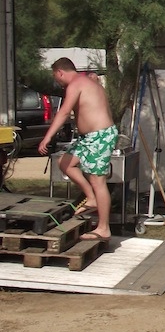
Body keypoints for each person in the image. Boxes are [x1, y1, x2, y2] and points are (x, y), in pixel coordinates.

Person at [38, 58, 117, 241]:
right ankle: (91, 198)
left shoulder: (76, 84)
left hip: (99, 136)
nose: (57, 81)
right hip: (87, 138)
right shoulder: (88, 82)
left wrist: (47, 137)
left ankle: (104, 228)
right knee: (65, 163)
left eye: (56, 77)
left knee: (98, 181)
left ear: (60, 72)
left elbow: (64, 112)